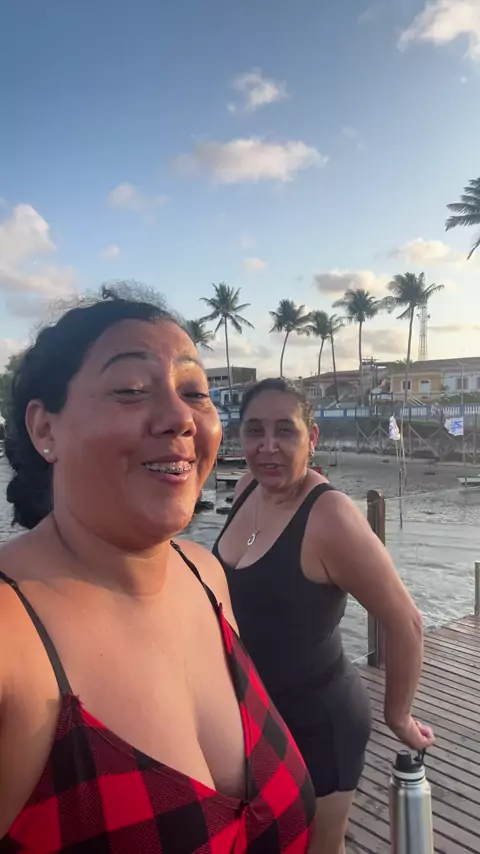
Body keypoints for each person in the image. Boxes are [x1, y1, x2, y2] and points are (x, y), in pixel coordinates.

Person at [0, 293, 316, 853]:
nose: (181, 418)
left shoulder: (206, 577)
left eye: (195, 392)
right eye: (130, 390)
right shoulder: (11, 636)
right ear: (45, 428)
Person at [213, 377, 435, 854]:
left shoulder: (330, 516)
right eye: (254, 430)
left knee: (318, 847)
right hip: (251, 716)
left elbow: (406, 621)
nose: (268, 446)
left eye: (285, 430)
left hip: (316, 724)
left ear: (311, 437)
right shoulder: (247, 488)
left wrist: (399, 716)